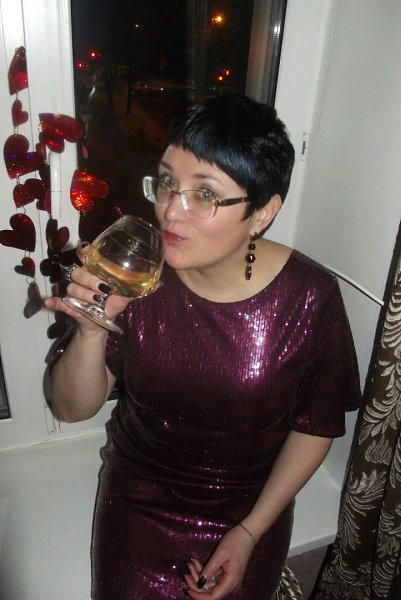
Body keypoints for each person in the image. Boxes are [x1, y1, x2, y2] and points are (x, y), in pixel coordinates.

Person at [45, 95, 361, 599]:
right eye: (167, 182)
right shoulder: (141, 275)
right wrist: (91, 329)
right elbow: (71, 408)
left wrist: (250, 532)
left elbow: (315, 426)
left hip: (251, 508)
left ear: (262, 212)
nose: (172, 210)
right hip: (137, 501)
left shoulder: (309, 297)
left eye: (205, 194)